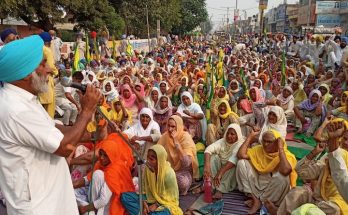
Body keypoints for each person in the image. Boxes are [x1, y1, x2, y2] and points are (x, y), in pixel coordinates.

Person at [0, 35, 101, 214]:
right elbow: (65, 147)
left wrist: (92, 134)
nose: (50, 70)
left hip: (49, 198)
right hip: (40, 205)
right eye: (42, 63)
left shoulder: (24, 100)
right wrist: (86, 112)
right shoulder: (17, 110)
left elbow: (55, 130)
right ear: (24, 73)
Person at [273, 120, 348, 215]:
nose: (346, 143)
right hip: (318, 198)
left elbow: (341, 177)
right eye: (345, 139)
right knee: (297, 193)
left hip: (339, 204)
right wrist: (314, 153)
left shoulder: (338, 156)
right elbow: (300, 172)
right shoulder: (329, 159)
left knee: (333, 209)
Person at [236, 129, 297, 214]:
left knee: (283, 177)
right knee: (241, 163)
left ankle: (262, 202)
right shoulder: (259, 149)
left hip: (272, 189)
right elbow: (240, 155)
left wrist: (280, 149)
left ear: (277, 142)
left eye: (269, 142)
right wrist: (250, 137)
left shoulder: (287, 155)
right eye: (264, 141)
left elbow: (286, 171)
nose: (265, 144)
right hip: (257, 184)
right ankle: (255, 199)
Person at [73, 132, 135, 215]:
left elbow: (103, 200)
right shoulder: (102, 164)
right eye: (101, 154)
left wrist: (84, 209)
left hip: (112, 205)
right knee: (74, 191)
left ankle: (92, 211)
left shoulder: (115, 170)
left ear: (112, 155)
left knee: (97, 174)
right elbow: (87, 179)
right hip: (98, 201)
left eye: (105, 155)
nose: (101, 158)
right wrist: (69, 185)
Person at [121, 145, 183, 215]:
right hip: (150, 198)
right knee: (125, 197)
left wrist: (157, 205)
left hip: (166, 204)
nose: (148, 161)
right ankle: (142, 213)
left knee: (164, 212)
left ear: (159, 160)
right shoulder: (148, 169)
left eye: (151, 159)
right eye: (147, 158)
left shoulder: (169, 173)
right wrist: (144, 203)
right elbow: (144, 188)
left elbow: (172, 198)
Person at [157, 115, 199, 195]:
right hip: (167, 170)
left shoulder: (186, 137)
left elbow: (186, 163)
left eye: (173, 126)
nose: (170, 129)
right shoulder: (165, 136)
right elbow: (157, 151)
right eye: (168, 126)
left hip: (183, 172)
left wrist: (176, 143)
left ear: (179, 126)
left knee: (182, 182)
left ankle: (164, 186)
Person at [203, 123, 245, 199]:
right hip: (220, 168)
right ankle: (211, 185)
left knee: (233, 164)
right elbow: (209, 149)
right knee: (213, 157)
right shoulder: (223, 141)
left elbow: (233, 159)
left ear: (237, 135)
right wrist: (207, 166)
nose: (229, 136)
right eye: (228, 133)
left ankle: (220, 189)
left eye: (232, 134)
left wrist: (220, 172)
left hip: (229, 171)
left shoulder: (240, 143)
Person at [38, 32, 58, 118]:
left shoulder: (36, 49)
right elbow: (50, 66)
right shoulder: (47, 50)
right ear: (48, 42)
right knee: (49, 111)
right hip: (46, 80)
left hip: (37, 81)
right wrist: (56, 72)